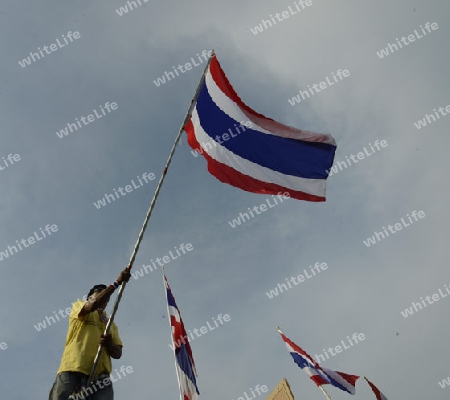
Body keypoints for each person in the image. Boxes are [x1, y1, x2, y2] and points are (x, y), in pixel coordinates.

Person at [49, 267, 131, 400]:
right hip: (73, 367)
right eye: (98, 294)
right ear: (89, 297)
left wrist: (109, 344)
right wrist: (117, 283)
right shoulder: (80, 306)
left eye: (105, 298)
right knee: (60, 396)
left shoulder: (110, 323)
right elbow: (91, 306)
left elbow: (118, 353)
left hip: (100, 377)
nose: (102, 299)